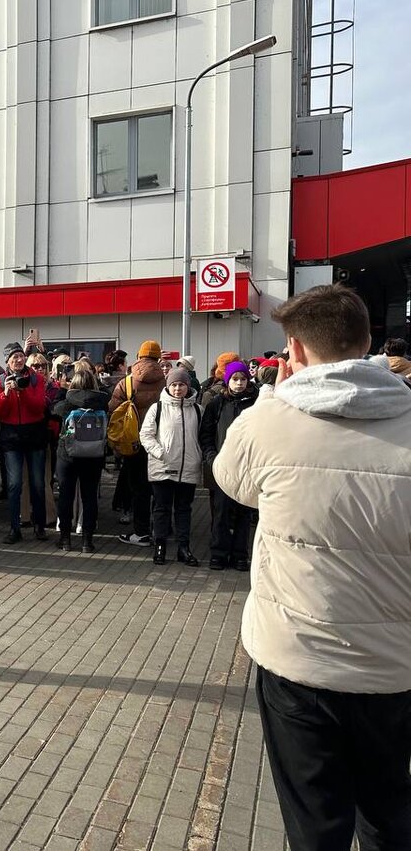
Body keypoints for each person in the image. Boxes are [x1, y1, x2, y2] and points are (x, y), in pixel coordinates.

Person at [214, 284, 411, 851]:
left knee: (315, 826)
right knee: (391, 816)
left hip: (298, 660)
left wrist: (273, 400)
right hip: (393, 670)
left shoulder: (270, 421)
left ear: (294, 350)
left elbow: (233, 482)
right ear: (368, 341)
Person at [138, 366, 202, 566]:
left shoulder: (198, 410)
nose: (177, 389)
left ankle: (184, 547)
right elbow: (146, 435)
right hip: (163, 467)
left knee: (184, 509)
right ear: (168, 386)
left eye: (181, 385)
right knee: (161, 509)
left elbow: (202, 436)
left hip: (188, 467)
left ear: (187, 386)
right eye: (173, 385)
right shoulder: (157, 408)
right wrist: (159, 453)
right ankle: (160, 546)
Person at [199, 360, 258, 570]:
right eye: (235, 379)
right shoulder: (217, 403)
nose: (239, 383)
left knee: (244, 512)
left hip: (247, 467)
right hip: (222, 466)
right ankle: (218, 553)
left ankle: (240, 554)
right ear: (227, 381)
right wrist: (212, 457)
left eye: (243, 379)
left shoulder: (255, 402)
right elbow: (205, 434)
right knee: (221, 512)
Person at [109, 341, 166, 547]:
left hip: (133, 443)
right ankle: (162, 529)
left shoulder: (128, 382)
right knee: (160, 488)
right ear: (158, 358)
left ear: (139, 357)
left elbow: (113, 411)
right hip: (161, 443)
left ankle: (141, 532)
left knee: (138, 488)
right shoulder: (168, 382)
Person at [0, 342, 49, 544]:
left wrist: (23, 391)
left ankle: (39, 526)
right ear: (7, 361)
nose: (18, 359)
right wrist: (6, 393)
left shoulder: (35, 379)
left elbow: (38, 407)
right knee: (14, 485)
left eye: (20, 356)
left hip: (34, 434)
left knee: (37, 483)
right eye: (13, 357)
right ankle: (14, 528)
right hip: (11, 437)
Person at [51, 368, 109, 553]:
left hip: (68, 455)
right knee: (89, 497)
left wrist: (62, 388)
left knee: (66, 496)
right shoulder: (102, 402)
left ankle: (65, 539)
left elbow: (53, 409)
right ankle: (87, 541)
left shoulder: (68, 402)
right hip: (94, 455)